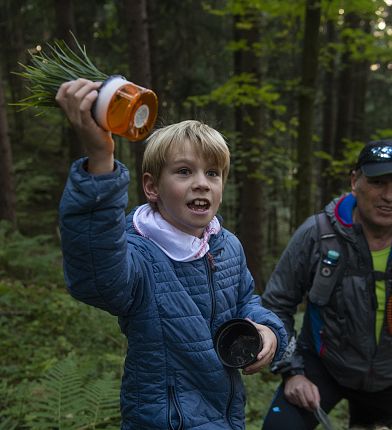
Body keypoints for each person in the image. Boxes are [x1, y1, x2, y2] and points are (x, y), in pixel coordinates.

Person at [56, 78, 287, 430]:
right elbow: (95, 278)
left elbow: (247, 302)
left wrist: (268, 330)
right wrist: (101, 160)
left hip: (227, 418)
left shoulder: (227, 245)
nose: (201, 183)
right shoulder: (138, 254)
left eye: (213, 173)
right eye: (183, 171)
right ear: (152, 187)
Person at [261, 140, 392, 430]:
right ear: (355, 181)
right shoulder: (318, 234)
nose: (389, 196)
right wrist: (291, 371)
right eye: (378, 182)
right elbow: (276, 304)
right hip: (322, 364)